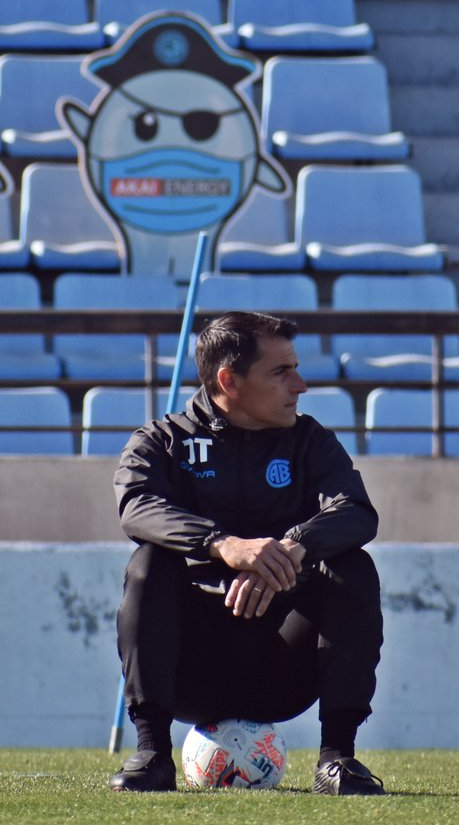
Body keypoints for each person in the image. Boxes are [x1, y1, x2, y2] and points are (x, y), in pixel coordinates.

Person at [108, 310, 385, 795]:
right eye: (281, 372)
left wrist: (290, 549)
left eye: (296, 369)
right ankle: (152, 754)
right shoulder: (162, 441)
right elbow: (137, 507)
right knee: (148, 563)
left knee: (353, 565)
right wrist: (224, 545)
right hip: (191, 669)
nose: (300, 385)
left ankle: (338, 759)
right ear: (228, 381)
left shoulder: (311, 442)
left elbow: (357, 512)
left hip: (283, 665)